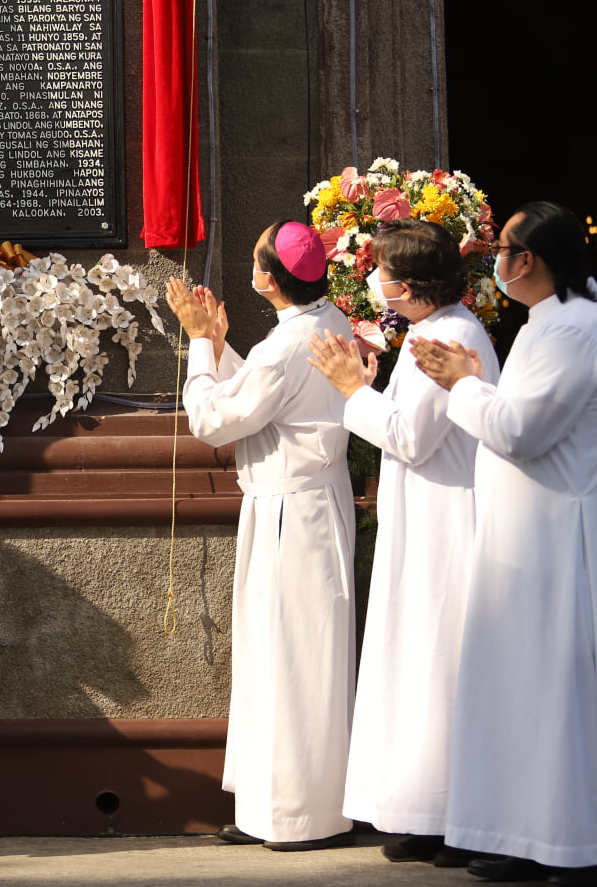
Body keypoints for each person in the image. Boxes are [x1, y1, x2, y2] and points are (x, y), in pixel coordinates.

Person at [412, 202, 597, 887]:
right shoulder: (562, 317)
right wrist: (476, 380)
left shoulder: (575, 331)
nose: (492, 259)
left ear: (526, 261)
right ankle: (531, 834)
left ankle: (578, 845)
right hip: (536, 539)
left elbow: (520, 432)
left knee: (561, 697)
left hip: (563, 542)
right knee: (527, 694)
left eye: (500, 249)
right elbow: (528, 415)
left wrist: (462, 384)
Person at [304, 219, 498, 868]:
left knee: (442, 667)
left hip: (449, 526)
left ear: (409, 285)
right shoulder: (427, 329)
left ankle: (461, 817)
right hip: (421, 522)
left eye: (381, 271)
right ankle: (425, 813)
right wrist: (368, 387)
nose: (373, 280)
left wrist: (352, 390)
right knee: (417, 668)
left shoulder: (453, 335)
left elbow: (412, 438)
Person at [165, 220, 357, 852]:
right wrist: (223, 348)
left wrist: (200, 345)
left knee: (293, 659)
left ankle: (303, 817)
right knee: (281, 657)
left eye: (255, 259)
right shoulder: (323, 321)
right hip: (307, 503)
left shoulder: (288, 343)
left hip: (290, 513)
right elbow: (269, 397)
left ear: (269, 280)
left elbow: (214, 420)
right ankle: (271, 810)